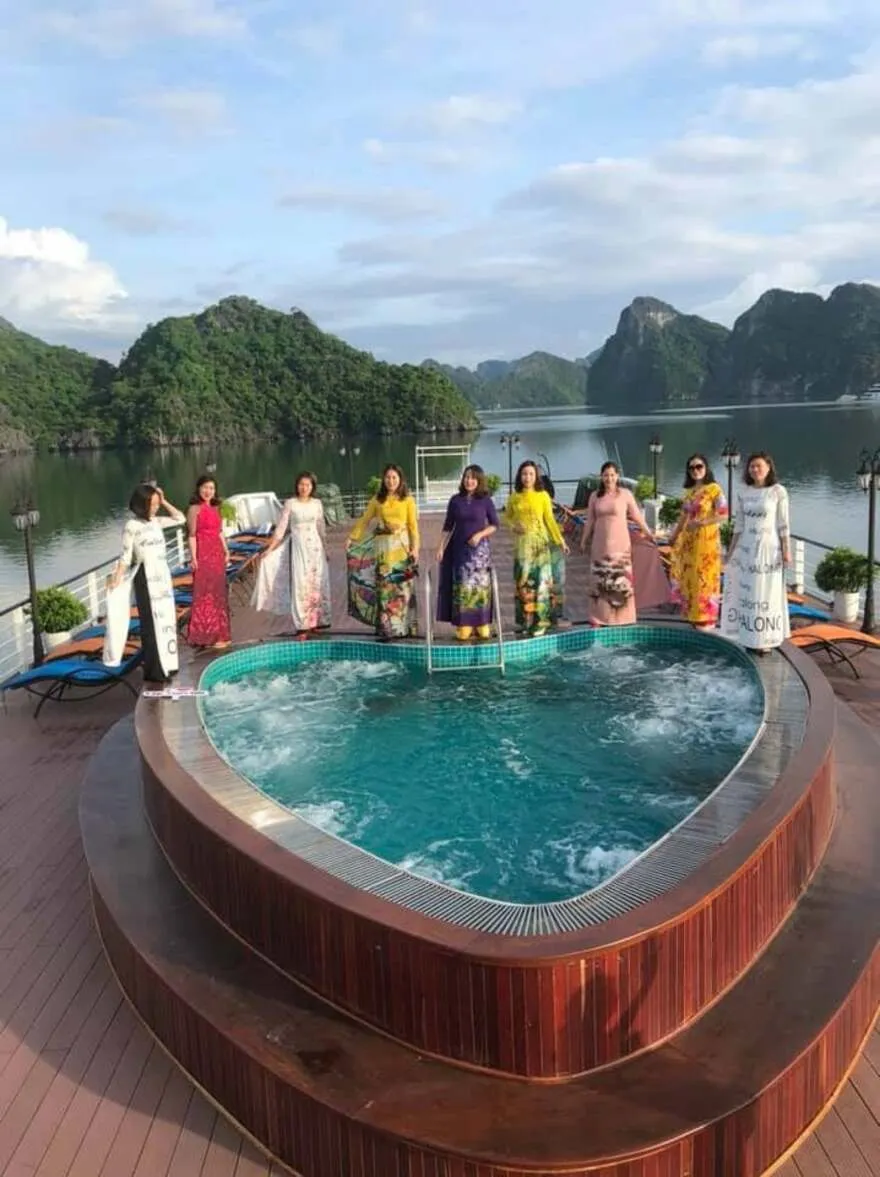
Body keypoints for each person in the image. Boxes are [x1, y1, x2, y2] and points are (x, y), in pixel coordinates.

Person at [104, 483, 185, 686]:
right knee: (151, 623)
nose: (155, 508)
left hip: (162, 575)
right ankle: (155, 669)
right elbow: (126, 556)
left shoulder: (156, 522)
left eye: (157, 504)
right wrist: (117, 578)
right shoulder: (132, 526)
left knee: (166, 620)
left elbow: (180, 518)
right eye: (152, 504)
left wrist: (164, 501)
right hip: (144, 576)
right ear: (142, 504)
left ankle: (169, 663)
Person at [721, 451, 791, 655]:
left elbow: (783, 524)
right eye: (752, 466)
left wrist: (786, 550)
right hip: (747, 548)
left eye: (759, 466)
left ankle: (766, 638)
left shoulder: (777, 492)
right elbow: (739, 525)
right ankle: (748, 636)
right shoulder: (743, 493)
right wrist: (730, 552)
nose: (755, 469)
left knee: (767, 593)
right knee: (748, 594)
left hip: (769, 549)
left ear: (768, 468)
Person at [347, 464, 420, 640]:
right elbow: (364, 519)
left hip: (401, 551)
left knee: (402, 588)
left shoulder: (408, 500)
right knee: (385, 589)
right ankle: (386, 628)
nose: (391, 481)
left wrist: (415, 548)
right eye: (388, 477)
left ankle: (402, 627)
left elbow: (413, 527)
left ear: (400, 479)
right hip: (383, 552)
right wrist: (352, 537)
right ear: (383, 479)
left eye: (394, 477)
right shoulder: (377, 500)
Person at [254, 471, 331, 635]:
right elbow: (281, 529)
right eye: (301, 484)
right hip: (299, 547)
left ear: (312, 487)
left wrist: (326, 549)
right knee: (301, 583)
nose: (304, 488)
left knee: (317, 582)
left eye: (307, 485)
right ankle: (302, 624)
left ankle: (317, 621)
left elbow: (321, 528)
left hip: (315, 548)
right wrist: (270, 549)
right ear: (297, 486)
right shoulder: (291, 503)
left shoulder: (317, 503)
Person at [579, 461, 655, 626]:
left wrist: (648, 533)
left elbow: (637, 516)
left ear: (617, 476)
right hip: (600, 543)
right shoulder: (595, 496)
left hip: (620, 543)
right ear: (601, 477)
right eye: (606, 475)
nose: (609, 478)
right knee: (600, 578)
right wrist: (584, 540)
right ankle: (599, 617)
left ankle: (622, 617)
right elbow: (590, 520)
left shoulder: (625, 494)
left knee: (620, 579)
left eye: (612, 475)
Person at [503, 460, 569, 637]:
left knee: (542, 585)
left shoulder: (543, 496)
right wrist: (514, 527)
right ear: (520, 476)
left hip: (540, 547)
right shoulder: (514, 497)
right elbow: (506, 517)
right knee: (523, 584)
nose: (527, 477)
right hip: (522, 548)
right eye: (524, 474)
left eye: (531, 474)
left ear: (536, 477)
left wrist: (561, 541)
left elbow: (550, 521)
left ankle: (541, 622)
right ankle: (524, 622)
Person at [436, 464, 499, 640]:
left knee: (480, 588)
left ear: (479, 481)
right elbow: (448, 526)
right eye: (466, 477)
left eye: (473, 478)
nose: (469, 481)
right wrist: (440, 547)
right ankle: (464, 622)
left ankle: (482, 621)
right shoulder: (455, 501)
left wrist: (480, 535)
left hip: (479, 554)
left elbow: (495, 524)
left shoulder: (485, 500)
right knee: (463, 587)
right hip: (459, 551)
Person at [668, 454, 728, 630]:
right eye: (692, 468)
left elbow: (724, 514)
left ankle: (706, 620)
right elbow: (683, 517)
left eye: (699, 466)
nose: (695, 470)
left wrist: (702, 523)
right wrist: (674, 536)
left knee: (705, 579)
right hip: (689, 543)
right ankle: (693, 618)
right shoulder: (689, 492)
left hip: (706, 543)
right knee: (691, 579)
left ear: (706, 468)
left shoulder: (714, 489)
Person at [186, 473, 231, 649]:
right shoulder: (194, 509)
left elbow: (219, 532)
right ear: (199, 488)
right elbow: (191, 536)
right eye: (205, 487)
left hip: (217, 554)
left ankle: (221, 634)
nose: (208, 491)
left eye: (211, 488)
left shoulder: (216, 507)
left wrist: (226, 550)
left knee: (218, 594)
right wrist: (194, 558)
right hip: (203, 554)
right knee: (204, 594)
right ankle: (206, 636)